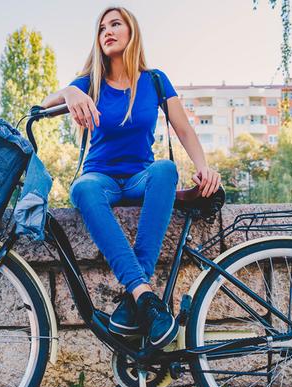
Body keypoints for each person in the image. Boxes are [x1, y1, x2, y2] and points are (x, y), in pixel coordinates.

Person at [40, 6, 221, 349]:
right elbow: (44, 105)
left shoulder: (154, 80)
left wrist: (204, 166)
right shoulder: (90, 83)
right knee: (83, 188)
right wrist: (69, 92)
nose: (107, 31)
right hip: (101, 178)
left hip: (140, 177)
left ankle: (134, 297)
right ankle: (145, 296)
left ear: (131, 31)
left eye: (115, 24)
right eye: (101, 28)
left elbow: (183, 128)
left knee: (165, 169)